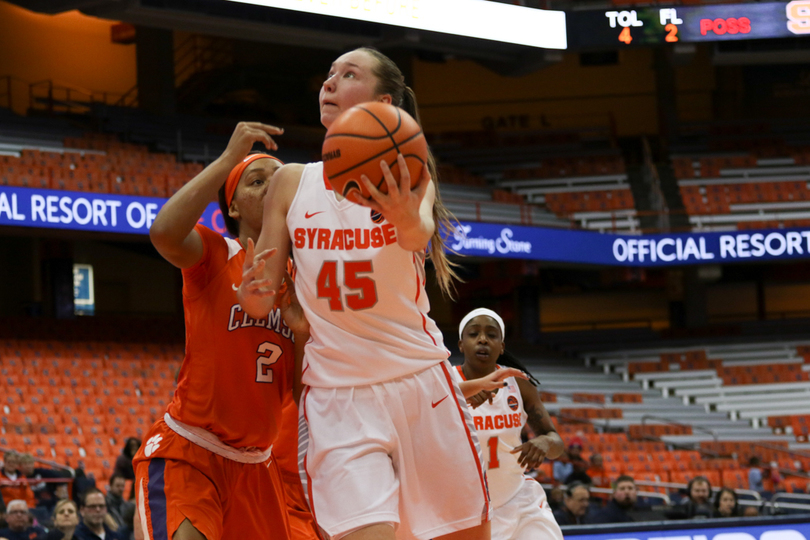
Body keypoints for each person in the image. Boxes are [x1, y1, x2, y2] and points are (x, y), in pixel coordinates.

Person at [238, 47, 527, 540]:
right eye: (328, 74)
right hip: (337, 395)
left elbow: (417, 235)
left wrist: (402, 214)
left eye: (348, 74)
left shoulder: (411, 172)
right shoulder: (290, 182)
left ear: (384, 100)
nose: (329, 83)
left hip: (421, 383)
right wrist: (254, 291)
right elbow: (259, 299)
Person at [134, 122, 309, 540]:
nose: (270, 187)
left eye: (277, 180)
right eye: (255, 181)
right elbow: (163, 233)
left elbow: (302, 395)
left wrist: (300, 332)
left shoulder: (303, 282)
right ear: (232, 207)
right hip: (192, 452)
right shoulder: (216, 254)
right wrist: (229, 158)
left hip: (257, 466)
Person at [451, 308, 564, 540]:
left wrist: (544, 441)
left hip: (519, 500)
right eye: (474, 334)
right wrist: (456, 402)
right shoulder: (444, 384)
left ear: (501, 346)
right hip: (467, 509)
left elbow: (556, 443)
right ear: (461, 344)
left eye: (492, 335)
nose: (482, 339)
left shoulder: (519, 384)